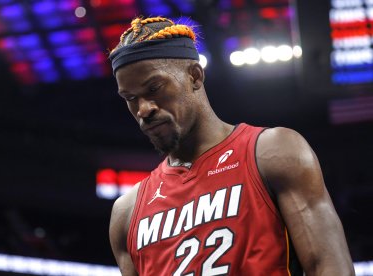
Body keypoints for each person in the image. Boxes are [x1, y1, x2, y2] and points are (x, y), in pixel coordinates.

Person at [108, 16, 355, 276]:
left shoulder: (273, 153)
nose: (143, 109)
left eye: (154, 88)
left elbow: (329, 267)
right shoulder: (127, 212)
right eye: (131, 98)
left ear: (194, 76)